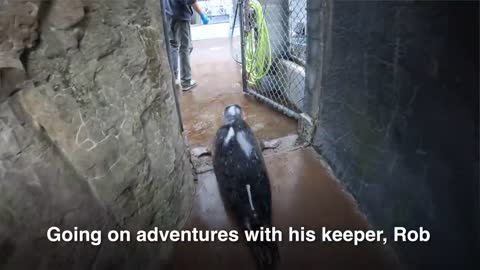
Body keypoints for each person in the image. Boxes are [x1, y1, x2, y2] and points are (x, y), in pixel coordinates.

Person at [164, 0, 209, 91]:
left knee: (173, 46)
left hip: (168, 14)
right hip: (181, 15)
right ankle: (186, 81)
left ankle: (173, 78)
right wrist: (202, 14)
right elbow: (191, 1)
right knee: (184, 48)